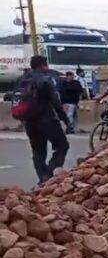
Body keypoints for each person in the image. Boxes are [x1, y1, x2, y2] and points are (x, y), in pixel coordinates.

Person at [15, 56, 70, 184]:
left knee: (38, 152)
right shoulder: (45, 80)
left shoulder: (21, 79)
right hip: (47, 119)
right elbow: (55, 102)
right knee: (62, 146)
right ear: (43, 66)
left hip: (29, 121)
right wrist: (65, 119)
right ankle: (50, 174)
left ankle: (42, 178)